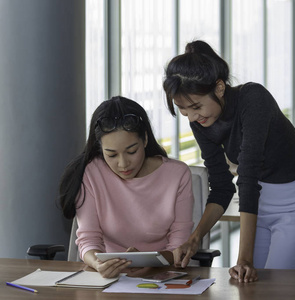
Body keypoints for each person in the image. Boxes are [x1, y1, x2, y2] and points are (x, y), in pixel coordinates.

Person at [163, 40, 295, 283]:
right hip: (257, 203)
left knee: (276, 288)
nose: (193, 117)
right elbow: (221, 185)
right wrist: (195, 238)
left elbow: (247, 177)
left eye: (196, 106)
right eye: (184, 110)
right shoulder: (200, 122)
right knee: (248, 287)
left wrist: (244, 259)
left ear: (219, 88)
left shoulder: (253, 98)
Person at [59, 96, 194, 278]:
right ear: (100, 148)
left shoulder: (177, 175)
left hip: (161, 279)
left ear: (145, 139)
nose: (123, 164)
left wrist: (148, 261)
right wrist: (99, 264)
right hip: (110, 279)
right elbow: (89, 240)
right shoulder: (91, 173)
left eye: (132, 151)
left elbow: (179, 246)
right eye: (111, 155)